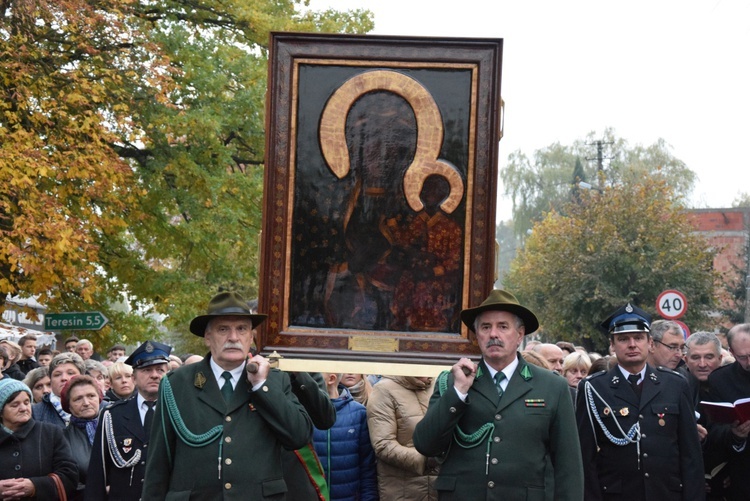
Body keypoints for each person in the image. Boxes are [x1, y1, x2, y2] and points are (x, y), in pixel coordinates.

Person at [413, 289, 583, 499]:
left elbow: (568, 465)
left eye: (503, 326)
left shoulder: (552, 386)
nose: (494, 334)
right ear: (477, 335)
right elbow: (425, 444)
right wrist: (458, 393)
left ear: (520, 334)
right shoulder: (453, 380)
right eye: (486, 327)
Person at [142, 291, 313, 499]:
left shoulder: (274, 380)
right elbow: (159, 461)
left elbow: (298, 436)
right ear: (207, 337)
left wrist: (261, 387)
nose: (233, 337)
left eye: (242, 329)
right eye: (223, 329)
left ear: (251, 336)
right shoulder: (176, 383)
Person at [576, 303, 704, 500]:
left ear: (650, 343)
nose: (632, 344)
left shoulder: (675, 384)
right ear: (612, 345)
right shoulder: (593, 387)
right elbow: (586, 457)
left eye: (638, 338)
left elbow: (691, 455)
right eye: (623, 339)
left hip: (666, 494)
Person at [85, 340, 171, 501]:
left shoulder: (179, 411)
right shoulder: (112, 415)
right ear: (134, 378)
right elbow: (98, 471)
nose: (154, 375)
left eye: (160, 370)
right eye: (146, 370)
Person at [0, 378, 78, 499]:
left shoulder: (51, 433)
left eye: (26, 402)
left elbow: (69, 475)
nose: (23, 408)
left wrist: (34, 486)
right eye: (15, 405)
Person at [367, 375, 438, 500]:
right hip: (403, 491)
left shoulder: (439, 385)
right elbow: (383, 444)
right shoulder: (384, 390)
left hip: (438, 489)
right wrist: (424, 460)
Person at [313, 373, 378, 501]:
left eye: (315, 372)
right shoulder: (303, 411)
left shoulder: (358, 413)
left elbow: (367, 468)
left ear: (331, 379)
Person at [705, 323, 750, 501]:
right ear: (731, 351)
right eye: (743, 357)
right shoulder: (720, 380)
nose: (749, 362)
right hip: (743, 474)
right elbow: (714, 428)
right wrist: (735, 435)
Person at [61, 375, 103, 500]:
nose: (86, 403)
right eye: (78, 399)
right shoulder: (62, 438)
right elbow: (69, 482)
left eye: (91, 396)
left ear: (99, 398)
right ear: (69, 406)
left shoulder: (117, 426)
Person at [32, 352, 86, 427]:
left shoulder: (99, 408)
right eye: (57, 374)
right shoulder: (35, 412)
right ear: (50, 380)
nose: (64, 378)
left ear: (82, 377)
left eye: (70, 373)